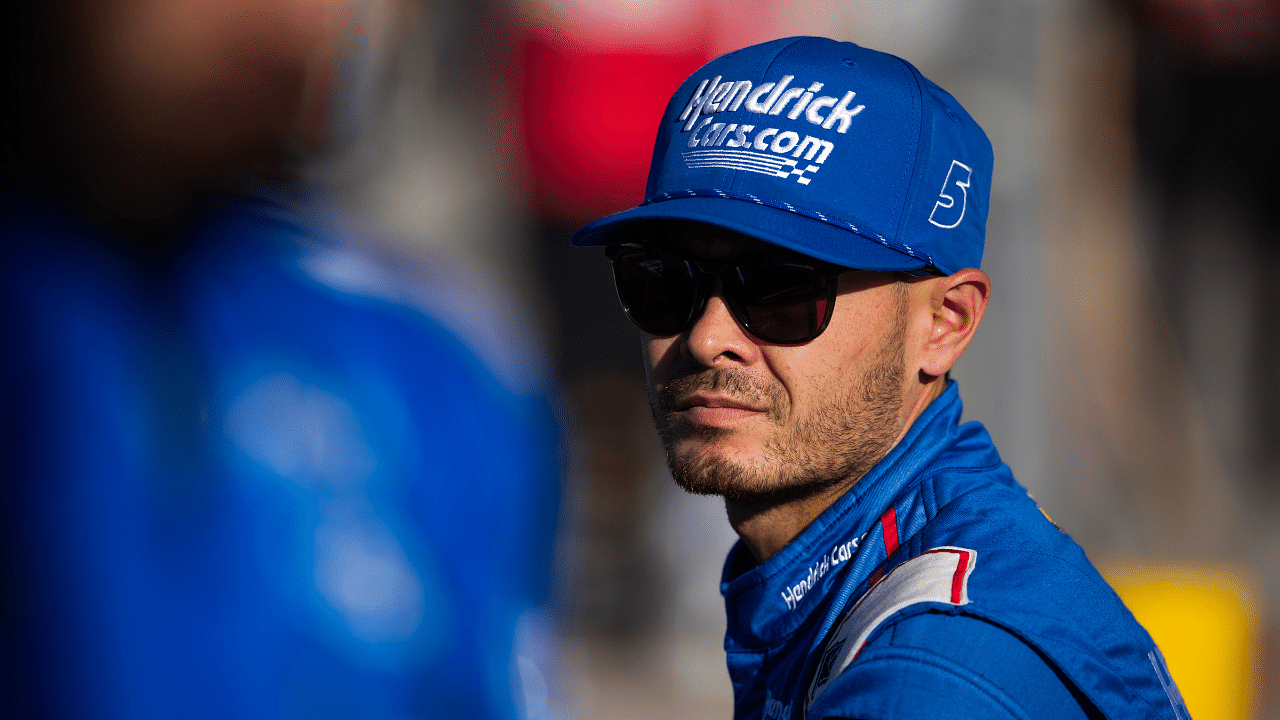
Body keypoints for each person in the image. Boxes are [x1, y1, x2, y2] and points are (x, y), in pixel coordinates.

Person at [571, 36, 1188, 720]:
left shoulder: (928, 682)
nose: (707, 337)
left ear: (944, 323)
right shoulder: (894, 565)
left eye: (780, 289)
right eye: (661, 280)